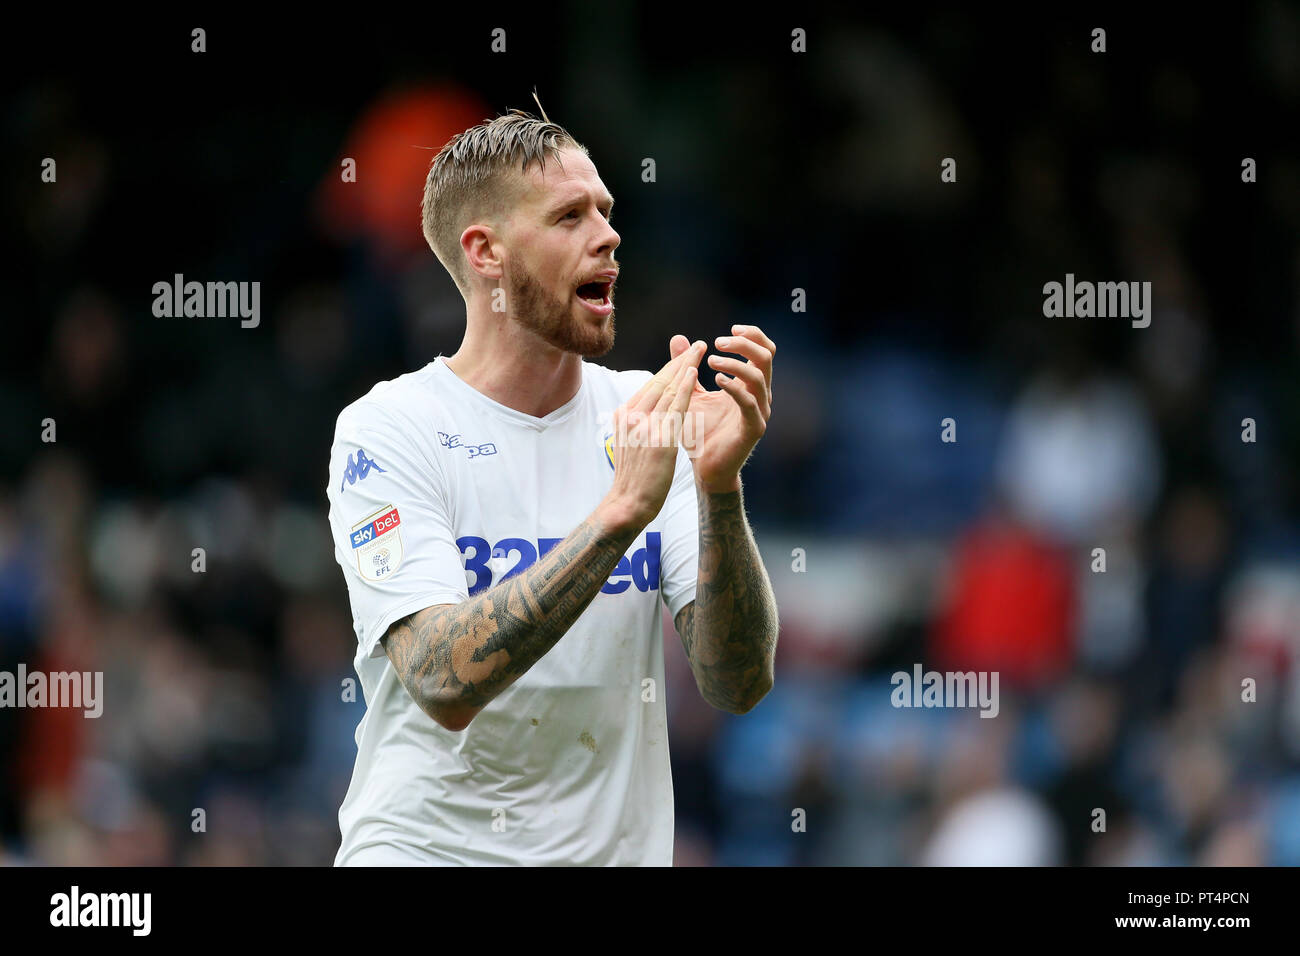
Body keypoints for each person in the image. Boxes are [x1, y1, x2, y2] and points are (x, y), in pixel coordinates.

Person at [325, 106, 779, 865]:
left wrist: (720, 490)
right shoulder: (391, 428)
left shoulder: (646, 417)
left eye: (606, 211)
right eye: (569, 216)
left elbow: (737, 682)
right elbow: (442, 678)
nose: (608, 236)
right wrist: (619, 515)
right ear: (486, 253)